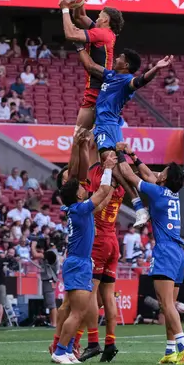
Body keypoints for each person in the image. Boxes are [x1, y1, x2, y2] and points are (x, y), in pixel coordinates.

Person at [73, 39, 172, 227]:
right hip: (109, 126)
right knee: (120, 168)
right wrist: (79, 46)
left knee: (112, 165)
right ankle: (142, 203)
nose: (116, 58)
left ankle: (140, 206)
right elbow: (91, 66)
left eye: (120, 57)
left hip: (107, 126)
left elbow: (141, 80)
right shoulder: (111, 75)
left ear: (125, 65)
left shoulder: (126, 81)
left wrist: (157, 68)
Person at [115, 149, 184, 365]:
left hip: (165, 250)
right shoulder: (172, 193)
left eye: (164, 170)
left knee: (166, 304)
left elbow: (128, 174)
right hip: (178, 252)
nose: (159, 172)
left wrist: (120, 154)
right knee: (168, 304)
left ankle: (182, 344)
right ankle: (171, 351)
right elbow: (149, 173)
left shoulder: (158, 193)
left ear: (165, 178)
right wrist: (135, 156)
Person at [51, 153, 115, 364]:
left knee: (80, 310)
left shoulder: (78, 209)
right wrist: (107, 168)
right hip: (78, 263)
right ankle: (60, 351)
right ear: (78, 196)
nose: (84, 188)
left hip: (80, 262)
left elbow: (103, 199)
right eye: (80, 188)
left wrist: (112, 189)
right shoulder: (80, 208)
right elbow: (102, 191)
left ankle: (68, 350)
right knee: (77, 313)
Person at [60, 0, 124, 132]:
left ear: (106, 20)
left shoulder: (101, 33)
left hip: (97, 89)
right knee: (86, 139)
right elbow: (80, 17)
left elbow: (70, 34)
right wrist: (80, 0)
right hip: (101, 88)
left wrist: (65, 9)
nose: (97, 18)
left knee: (80, 136)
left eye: (100, 16)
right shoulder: (103, 32)